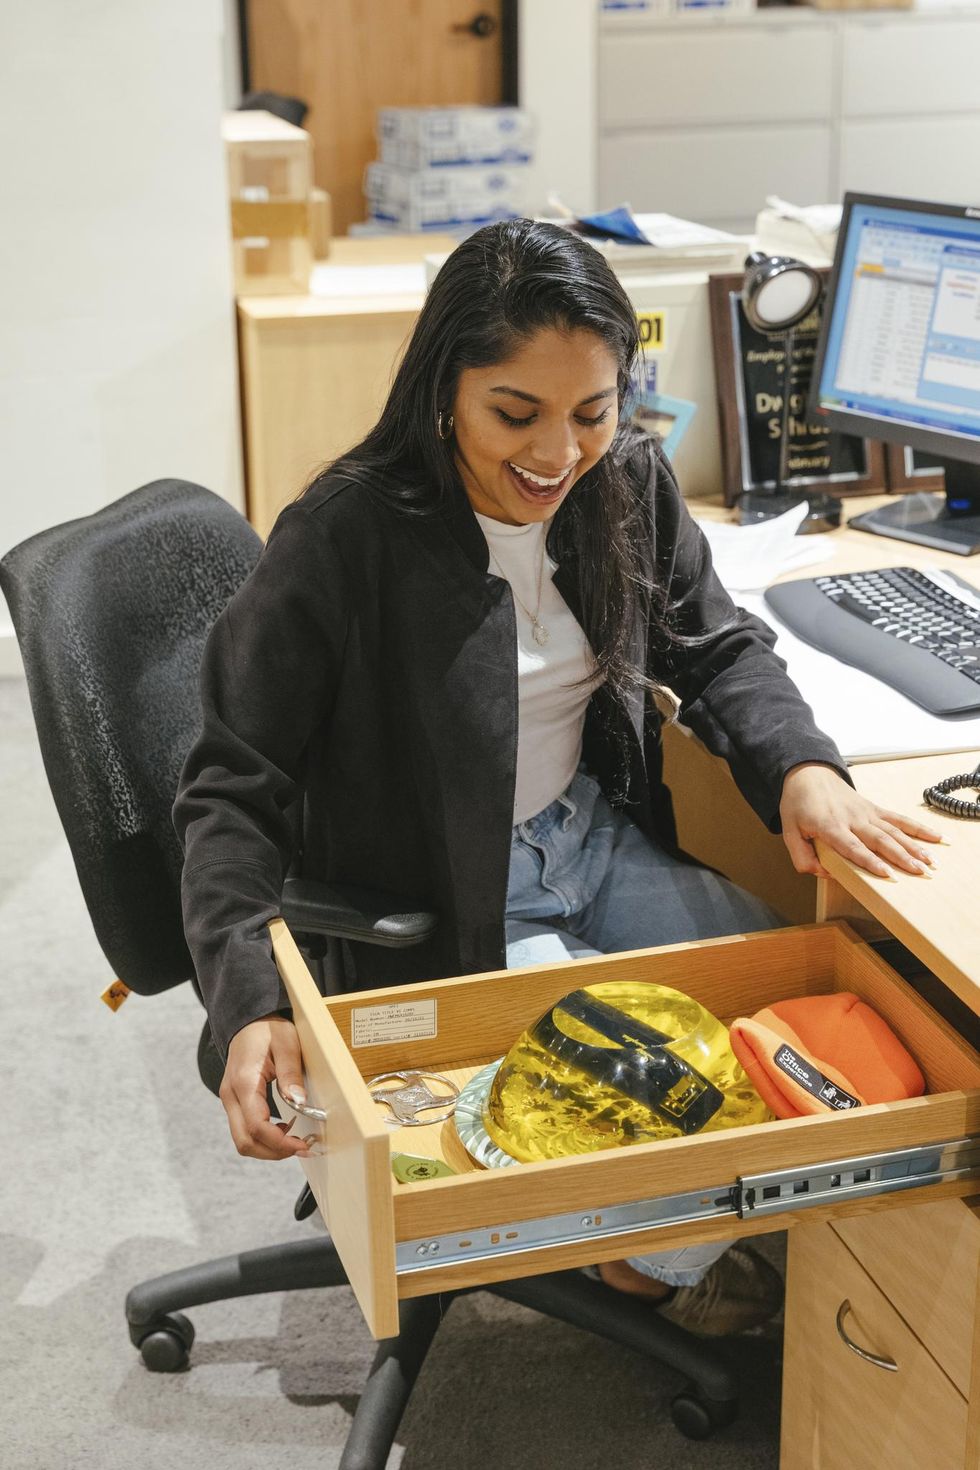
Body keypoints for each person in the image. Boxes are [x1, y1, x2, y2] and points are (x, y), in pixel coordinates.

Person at [174, 218, 941, 1337]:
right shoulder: (344, 538)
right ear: (446, 390)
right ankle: (645, 1266)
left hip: (586, 839)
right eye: (514, 414)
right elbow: (229, 785)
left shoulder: (620, 480)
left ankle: (673, 1243)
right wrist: (250, 997)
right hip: (451, 892)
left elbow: (717, 646)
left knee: (800, 1021)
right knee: (631, 1098)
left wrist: (801, 767)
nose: (556, 453)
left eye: (591, 411)